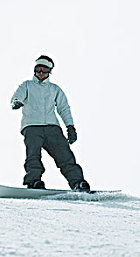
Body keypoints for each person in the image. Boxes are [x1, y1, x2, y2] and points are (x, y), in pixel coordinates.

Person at [10, 55, 90, 192]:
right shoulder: (27, 85)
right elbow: (17, 96)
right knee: (33, 155)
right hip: (32, 127)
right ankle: (34, 181)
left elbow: (63, 108)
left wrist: (70, 126)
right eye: (38, 70)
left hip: (52, 128)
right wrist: (16, 102)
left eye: (44, 70)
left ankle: (78, 183)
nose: (40, 73)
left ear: (49, 72)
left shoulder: (55, 89)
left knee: (65, 156)